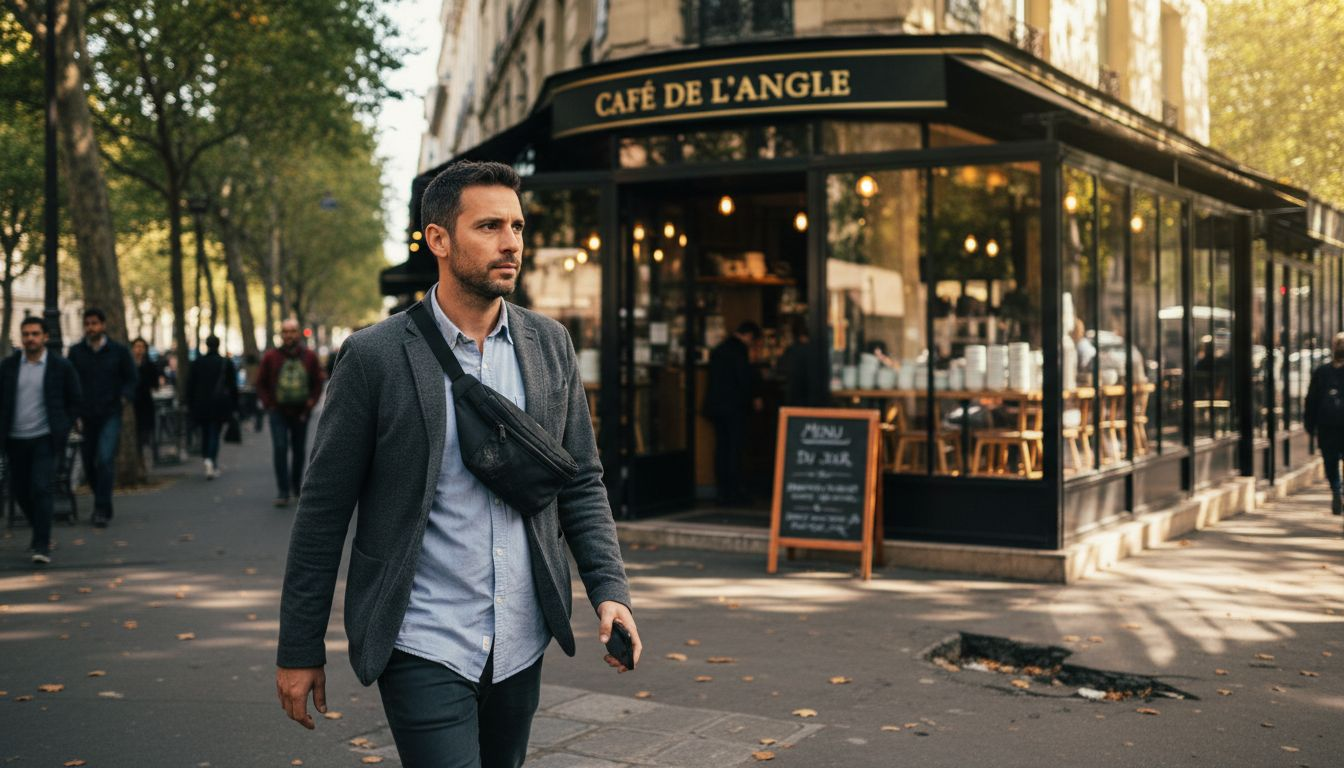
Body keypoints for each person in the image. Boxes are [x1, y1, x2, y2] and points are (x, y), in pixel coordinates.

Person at [275, 160, 639, 768]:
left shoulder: (549, 344)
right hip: (423, 638)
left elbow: (580, 479)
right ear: (438, 239)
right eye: (490, 226)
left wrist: (610, 590)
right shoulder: (375, 356)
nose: (511, 244)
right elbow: (322, 513)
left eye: (518, 227)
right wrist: (299, 646)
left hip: (522, 637)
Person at [1, 318, 82, 564]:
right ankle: (39, 527)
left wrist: (64, 425)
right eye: (26, 334)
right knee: (20, 490)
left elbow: (75, 398)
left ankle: (42, 543)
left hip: (45, 438)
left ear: (45, 336)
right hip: (15, 438)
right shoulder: (9, 366)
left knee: (41, 487)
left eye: (35, 333)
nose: (30, 338)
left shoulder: (60, 366)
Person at [67, 308, 137, 528]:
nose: (91, 327)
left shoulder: (118, 351)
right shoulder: (76, 352)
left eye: (94, 323)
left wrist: (124, 398)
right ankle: (103, 501)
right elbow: (71, 384)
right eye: (87, 324)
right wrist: (75, 413)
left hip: (110, 413)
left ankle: (101, 508)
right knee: (89, 463)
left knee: (105, 459)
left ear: (103, 325)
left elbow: (132, 378)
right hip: (86, 416)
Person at [256, 319, 323, 507]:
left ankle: (296, 487)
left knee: (299, 449)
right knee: (280, 448)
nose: (289, 335)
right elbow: (260, 383)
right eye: (285, 331)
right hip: (277, 411)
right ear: (281, 334)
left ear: (298, 333)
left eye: (292, 331)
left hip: (301, 411)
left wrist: (311, 403)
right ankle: (283, 491)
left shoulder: (309, 357)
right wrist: (269, 404)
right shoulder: (270, 357)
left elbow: (318, 381)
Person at [706, 320, 763, 505]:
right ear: (749, 336)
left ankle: (722, 492)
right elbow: (744, 379)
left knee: (722, 449)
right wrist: (755, 396)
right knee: (735, 450)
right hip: (734, 408)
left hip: (716, 407)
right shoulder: (739, 351)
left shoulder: (719, 349)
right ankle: (734, 492)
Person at [186, 336, 238, 480]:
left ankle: (206, 457)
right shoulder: (225, 363)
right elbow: (233, 386)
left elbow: (190, 384)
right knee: (214, 432)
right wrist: (235, 406)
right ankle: (211, 460)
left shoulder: (197, 362)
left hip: (201, 404)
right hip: (219, 404)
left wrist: (189, 403)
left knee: (205, 432)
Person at [1304, 332, 1344, 518]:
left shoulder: (1322, 372)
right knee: (1331, 460)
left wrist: (1310, 424)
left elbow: (1311, 400)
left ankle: (1336, 488)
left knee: (1330, 461)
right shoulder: (1321, 372)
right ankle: (1339, 490)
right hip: (1332, 424)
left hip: (1327, 425)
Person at [130, 338, 160, 457]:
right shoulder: (128, 365)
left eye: (142, 347)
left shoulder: (150, 365)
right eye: (137, 346)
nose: (139, 350)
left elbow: (155, 385)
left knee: (145, 434)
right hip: (133, 404)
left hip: (146, 404)